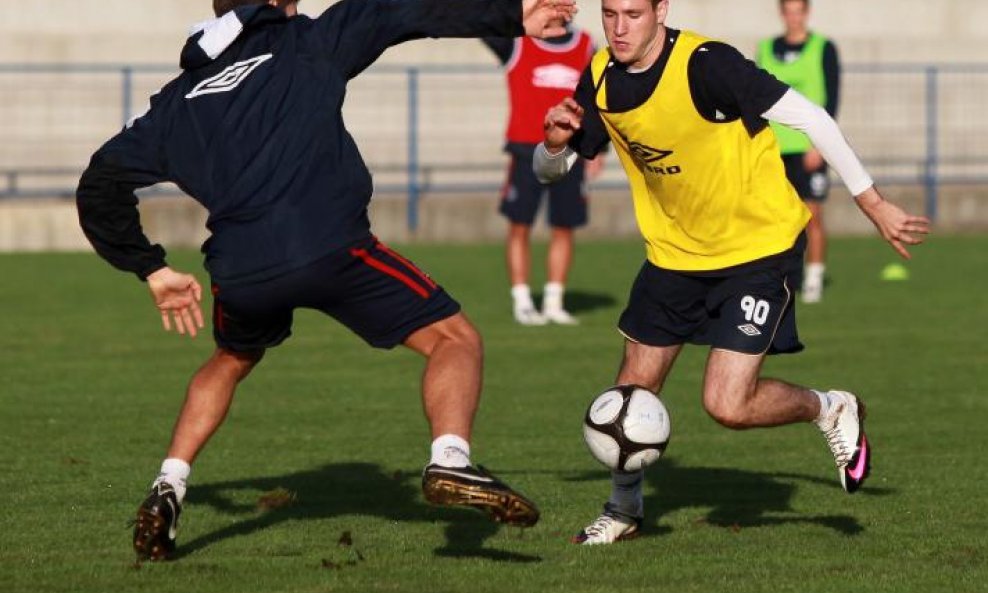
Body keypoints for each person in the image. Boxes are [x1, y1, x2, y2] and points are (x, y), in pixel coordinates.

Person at [75, 0, 577, 561]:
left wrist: (153, 268)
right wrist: (511, 15)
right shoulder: (304, 41)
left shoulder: (175, 100)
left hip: (242, 269)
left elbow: (97, 185)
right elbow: (398, 10)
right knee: (455, 339)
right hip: (330, 247)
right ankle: (451, 460)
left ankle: (169, 483)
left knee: (232, 358)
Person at [536, 0, 929, 544]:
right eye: (609, 14)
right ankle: (623, 511)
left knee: (728, 404)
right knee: (630, 390)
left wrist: (873, 202)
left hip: (756, 249)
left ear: (661, 10)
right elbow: (553, 170)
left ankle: (830, 406)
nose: (619, 28)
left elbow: (813, 117)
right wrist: (553, 144)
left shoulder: (706, 64)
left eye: (633, 14)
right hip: (674, 256)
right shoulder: (601, 76)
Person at [482, 22, 603, 325]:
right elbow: (483, 22)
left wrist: (598, 150)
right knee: (519, 225)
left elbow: (599, 100)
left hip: (569, 152)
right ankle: (522, 300)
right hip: (525, 151)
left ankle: (553, 302)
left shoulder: (586, 45)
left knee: (564, 227)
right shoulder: (517, 42)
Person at [757, 0, 841, 303]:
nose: (793, 17)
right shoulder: (766, 48)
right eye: (788, 11)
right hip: (774, 149)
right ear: (782, 14)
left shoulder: (822, 48)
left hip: (808, 147)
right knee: (777, 218)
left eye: (798, 11)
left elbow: (831, 99)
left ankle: (814, 279)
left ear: (806, 13)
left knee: (811, 215)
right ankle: (782, 279)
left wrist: (819, 143)